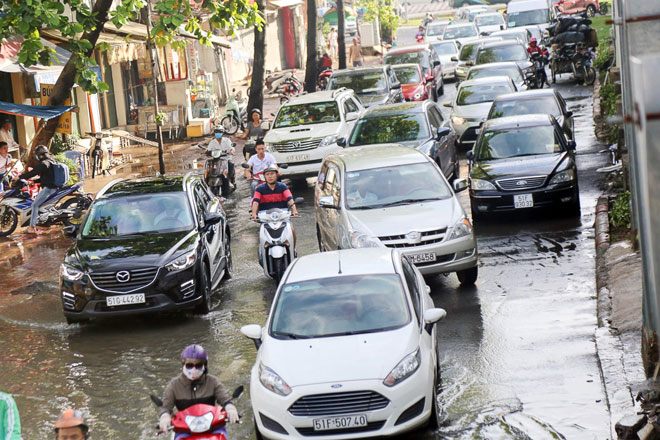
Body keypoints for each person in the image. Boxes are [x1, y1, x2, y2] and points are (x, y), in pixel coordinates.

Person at [159, 345, 239, 433]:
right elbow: (166, 407)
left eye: (198, 365)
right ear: (183, 365)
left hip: (212, 426)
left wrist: (230, 408)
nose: (194, 369)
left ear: (204, 366)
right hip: (184, 428)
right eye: (189, 365)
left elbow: (224, 399)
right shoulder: (174, 385)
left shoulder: (213, 381)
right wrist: (165, 416)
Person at [13, 145, 59, 235]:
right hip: (53, 187)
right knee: (42, 205)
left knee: (34, 205)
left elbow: (33, 173)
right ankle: (45, 223)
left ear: (40, 155)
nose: (36, 157)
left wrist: (19, 177)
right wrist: (34, 181)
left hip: (49, 189)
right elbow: (47, 177)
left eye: (37, 155)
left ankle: (31, 227)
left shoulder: (44, 163)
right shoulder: (51, 160)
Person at [251, 164, 299, 244]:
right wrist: (254, 214)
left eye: (272, 174)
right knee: (261, 234)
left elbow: (290, 199)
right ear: (264, 176)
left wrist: (294, 210)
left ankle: (292, 250)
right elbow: (255, 202)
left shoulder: (283, 186)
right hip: (266, 217)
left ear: (276, 175)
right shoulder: (259, 189)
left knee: (291, 230)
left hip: (282, 216)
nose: (270, 176)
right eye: (267, 174)